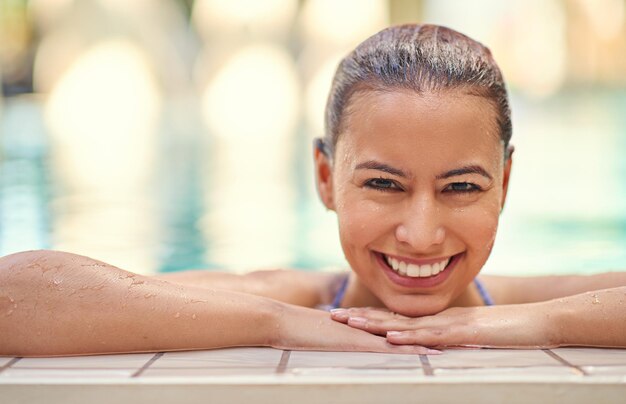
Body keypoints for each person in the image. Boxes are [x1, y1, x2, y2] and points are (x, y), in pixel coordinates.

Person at [1, 24, 624, 357]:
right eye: (383, 184)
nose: (421, 232)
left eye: (461, 187)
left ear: (506, 184)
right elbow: (14, 294)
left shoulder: (517, 302)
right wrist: (287, 325)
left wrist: (517, 326)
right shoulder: (289, 296)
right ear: (325, 178)